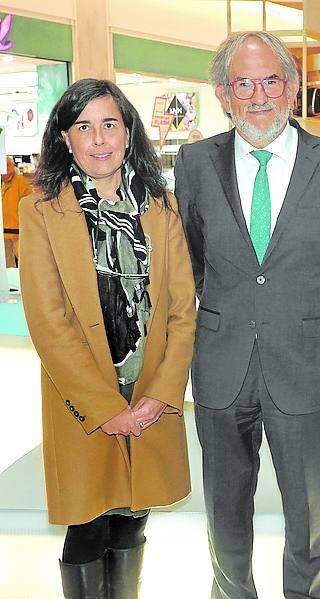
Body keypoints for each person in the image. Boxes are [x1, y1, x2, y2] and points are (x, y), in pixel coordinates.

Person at [174, 31, 320, 599]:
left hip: (303, 366)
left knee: (309, 521)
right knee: (224, 513)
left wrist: (297, 313)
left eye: (271, 80)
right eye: (243, 84)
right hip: (222, 364)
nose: (258, 95)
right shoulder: (194, 162)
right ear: (224, 95)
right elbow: (189, 261)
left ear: (294, 86)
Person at [21, 79, 196, 598]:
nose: (99, 139)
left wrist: (158, 395)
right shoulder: (42, 210)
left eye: (109, 124)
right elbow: (48, 321)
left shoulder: (160, 208)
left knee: (133, 516)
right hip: (84, 396)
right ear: (65, 138)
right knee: (88, 522)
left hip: (148, 391)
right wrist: (105, 407)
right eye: (84, 127)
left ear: (128, 132)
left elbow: (182, 311)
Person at [2, 156, 31, 266]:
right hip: (5, 230)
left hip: (18, 230)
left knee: (23, 260)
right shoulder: (5, 181)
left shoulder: (20, 180)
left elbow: (27, 204)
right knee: (7, 262)